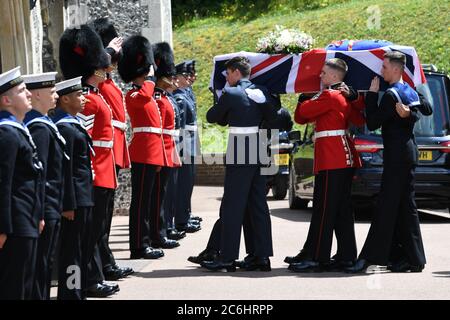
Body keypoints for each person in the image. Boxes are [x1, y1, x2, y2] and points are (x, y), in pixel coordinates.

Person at [346, 51, 430, 273]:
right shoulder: (408, 90)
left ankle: (369, 258)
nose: (381, 71)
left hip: (397, 158)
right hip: (406, 155)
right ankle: (412, 258)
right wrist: (409, 114)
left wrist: (372, 95)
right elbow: (421, 110)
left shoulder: (392, 95)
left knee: (386, 205)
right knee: (404, 206)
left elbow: (372, 122)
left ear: (396, 69)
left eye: (384, 67)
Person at [286, 58, 364, 272]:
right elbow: (358, 118)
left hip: (333, 157)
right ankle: (346, 255)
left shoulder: (330, 94)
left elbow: (301, 116)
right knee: (341, 210)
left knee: (324, 209)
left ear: (334, 76)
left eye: (323, 73)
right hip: (340, 156)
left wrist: (304, 98)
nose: (320, 76)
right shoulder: (342, 95)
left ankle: (317, 256)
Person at [200, 56, 276, 272]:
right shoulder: (261, 91)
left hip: (240, 150)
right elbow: (273, 117)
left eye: (228, 74)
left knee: (233, 206)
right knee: (258, 205)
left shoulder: (231, 93)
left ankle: (227, 257)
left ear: (235, 72)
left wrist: (223, 96)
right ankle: (261, 256)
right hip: (258, 150)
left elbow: (213, 117)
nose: (227, 77)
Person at [59, 24, 118, 297]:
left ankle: (90, 279)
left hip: (103, 171)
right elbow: (84, 144)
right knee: (85, 238)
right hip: (95, 174)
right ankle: (83, 282)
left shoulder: (94, 96)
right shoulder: (88, 102)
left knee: (92, 235)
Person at [89, 17, 134, 282]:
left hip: (113, 149)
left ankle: (105, 261)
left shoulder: (107, 81)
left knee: (105, 215)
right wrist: (106, 54)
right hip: (103, 153)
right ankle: (101, 264)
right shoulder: (98, 82)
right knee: (99, 217)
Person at [117, 35, 165, 260]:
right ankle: (137, 246)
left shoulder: (146, 95)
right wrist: (151, 77)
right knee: (140, 203)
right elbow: (145, 93)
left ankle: (143, 242)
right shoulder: (133, 95)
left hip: (151, 153)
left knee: (146, 202)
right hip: (142, 153)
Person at [52, 77, 97, 299]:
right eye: (78, 95)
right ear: (65, 99)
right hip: (75, 201)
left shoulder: (73, 122)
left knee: (81, 249)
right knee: (72, 252)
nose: (83, 98)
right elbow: (66, 169)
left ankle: (76, 291)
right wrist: (68, 204)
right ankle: (70, 294)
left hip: (84, 196)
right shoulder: (65, 128)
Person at [0, 67, 43, 300]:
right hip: (15, 225)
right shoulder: (6, 133)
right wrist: (2, 228)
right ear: (6, 100)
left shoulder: (18, 131)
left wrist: (38, 215)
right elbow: (3, 184)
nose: (28, 94)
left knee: (25, 285)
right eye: (22, 90)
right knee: (14, 288)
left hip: (26, 219)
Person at [22, 72, 65, 300]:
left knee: (46, 264)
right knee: (40, 265)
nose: (56, 95)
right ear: (37, 95)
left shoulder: (44, 122)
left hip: (51, 204)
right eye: (51, 92)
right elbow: (42, 172)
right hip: (46, 205)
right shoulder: (38, 127)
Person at [150, 42, 182, 249]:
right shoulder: (157, 98)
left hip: (169, 149)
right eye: (169, 76)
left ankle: (162, 231)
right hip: (161, 151)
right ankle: (158, 233)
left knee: (164, 194)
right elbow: (158, 132)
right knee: (158, 197)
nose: (173, 80)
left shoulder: (165, 98)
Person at [175, 60, 202, 233]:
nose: (190, 78)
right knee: (183, 184)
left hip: (190, 143)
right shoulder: (179, 96)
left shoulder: (185, 93)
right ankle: (181, 219)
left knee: (188, 183)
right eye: (186, 75)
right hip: (185, 145)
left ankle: (185, 214)